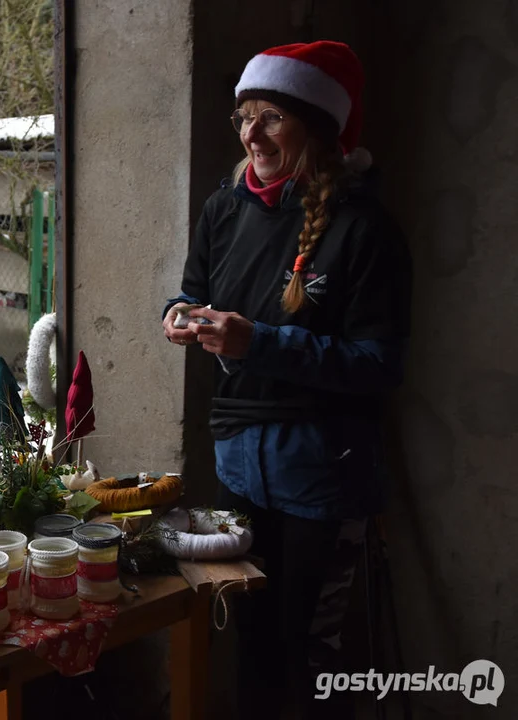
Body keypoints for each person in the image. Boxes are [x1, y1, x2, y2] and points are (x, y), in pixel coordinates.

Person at [162, 41, 412, 718]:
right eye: (244, 117)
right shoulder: (224, 206)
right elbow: (188, 291)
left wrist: (259, 342)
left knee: (306, 652)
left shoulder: (363, 230)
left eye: (270, 117)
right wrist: (180, 316)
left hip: (321, 471)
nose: (250, 133)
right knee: (249, 636)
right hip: (239, 461)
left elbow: (377, 365)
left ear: (317, 127)